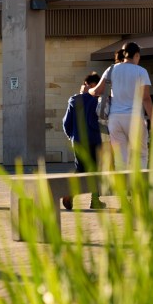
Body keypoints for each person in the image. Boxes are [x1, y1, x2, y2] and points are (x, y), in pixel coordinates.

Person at [90, 42, 153, 169]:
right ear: (136, 55)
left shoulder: (112, 69)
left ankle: (122, 188)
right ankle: (139, 187)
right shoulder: (141, 71)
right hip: (134, 117)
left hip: (115, 118)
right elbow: (146, 98)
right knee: (141, 154)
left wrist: (88, 90)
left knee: (121, 158)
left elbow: (97, 91)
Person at [61, 72, 106, 210]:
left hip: (78, 140)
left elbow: (66, 122)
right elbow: (95, 122)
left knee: (80, 168)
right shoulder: (95, 100)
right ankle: (94, 200)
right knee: (95, 170)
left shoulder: (73, 100)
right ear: (93, 85)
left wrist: (72, 135)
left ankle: (70, 193)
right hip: (93, 139)